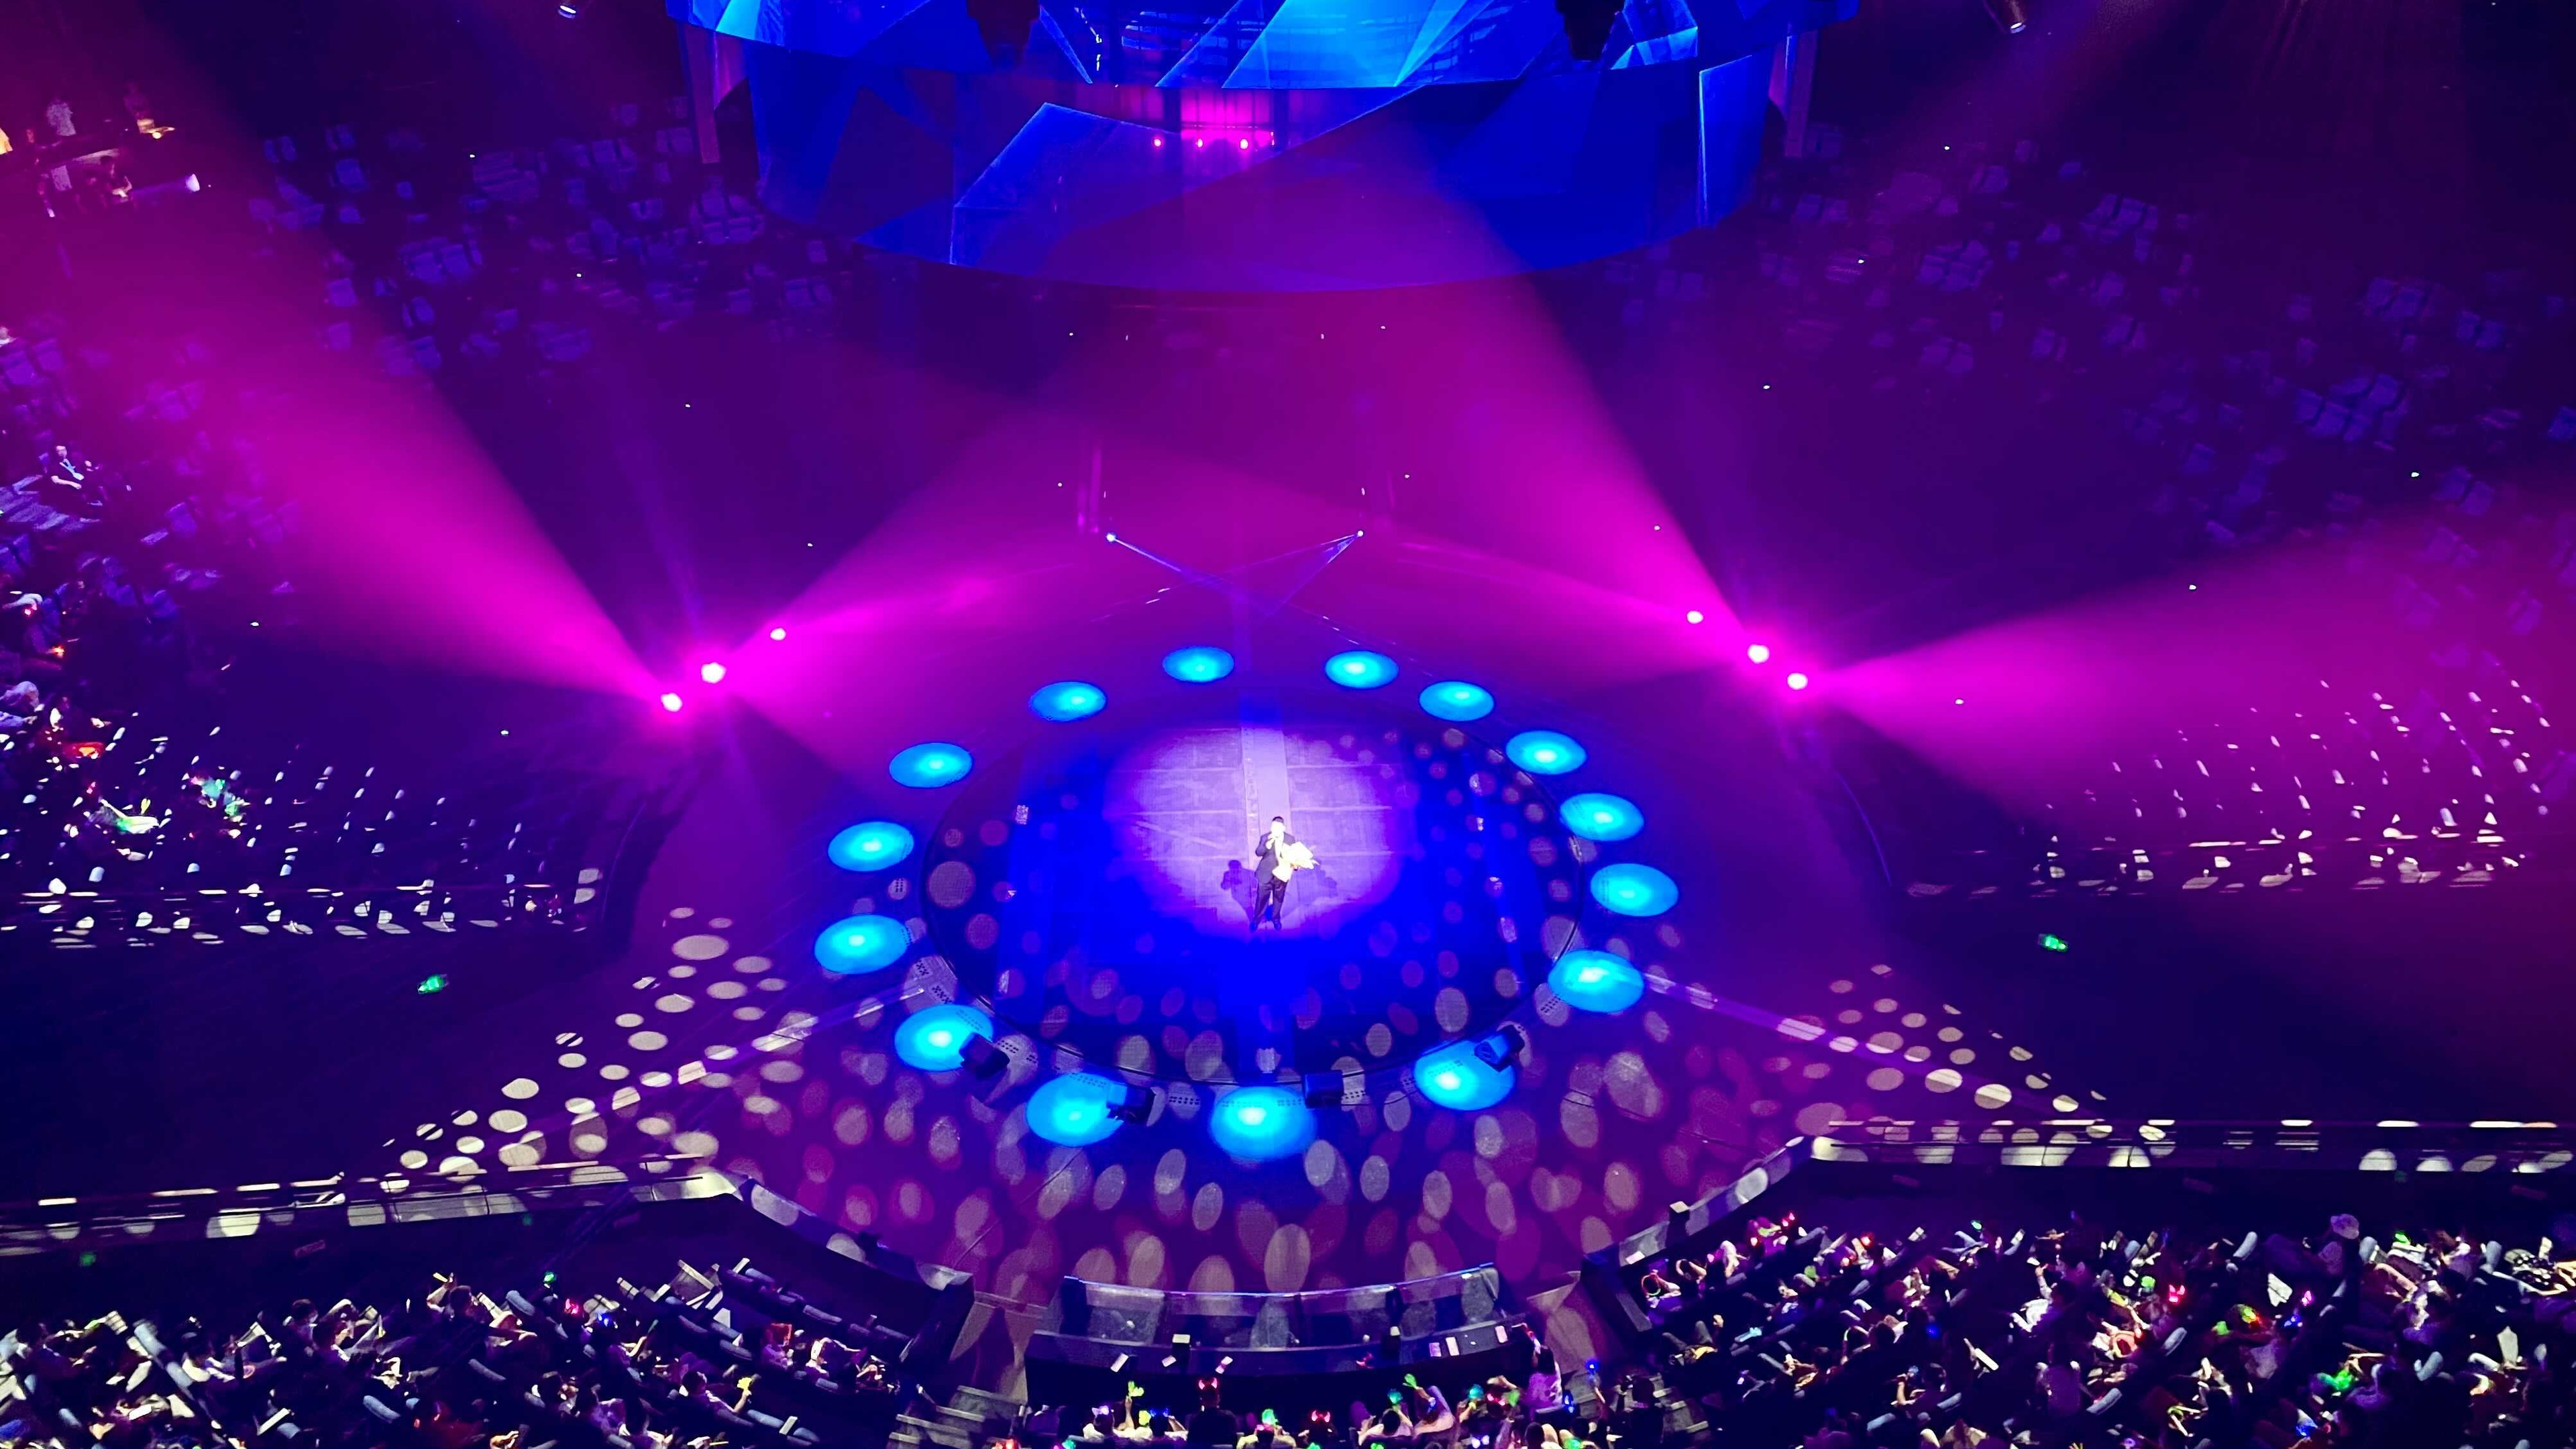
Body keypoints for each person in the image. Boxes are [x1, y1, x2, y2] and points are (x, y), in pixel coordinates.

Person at [1251, 816, 1313, 930]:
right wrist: (1267, 846)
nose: (1275, 829)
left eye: (1277, 827)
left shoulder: (1290, 839)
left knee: (1279, 898)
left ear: (1283, 828)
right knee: (1261, 899)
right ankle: (1257, 919)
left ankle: (1276, 918)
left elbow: (1294, 856)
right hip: (1266, 874)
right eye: (1273, 827)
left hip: (1282, 875)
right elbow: (1258, 852)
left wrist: (1296, 865)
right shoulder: (1265, 837)